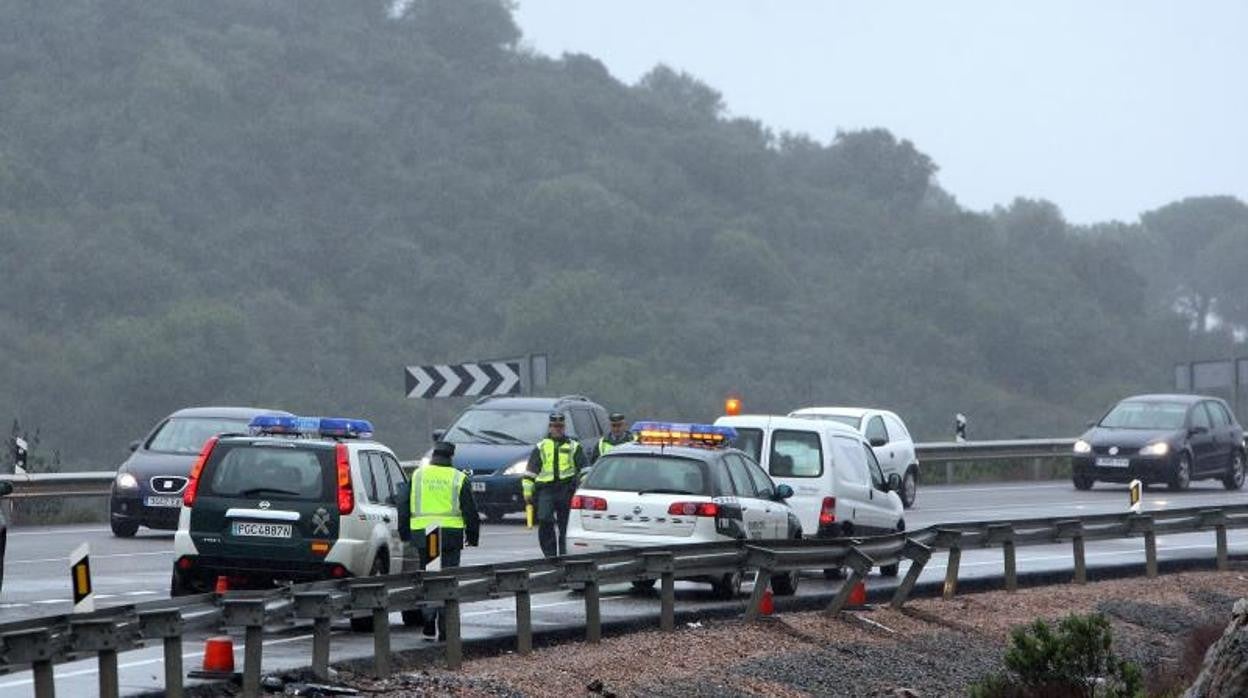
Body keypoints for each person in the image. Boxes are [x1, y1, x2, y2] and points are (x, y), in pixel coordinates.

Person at [399, 441, 479, 637]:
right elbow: (471, 511)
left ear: (434, 456)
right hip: (450, 536)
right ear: (450, 457)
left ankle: (428, 621)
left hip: (429, 535)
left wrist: (404, 533)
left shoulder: (418, 475)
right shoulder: (458, 478)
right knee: (448, 581)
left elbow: (403, 504)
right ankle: (446, 629)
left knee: (431, 578)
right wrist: (472, 536)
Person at [522, 413, 587, 558]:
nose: (558, 429)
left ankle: (564, 555)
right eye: (555, 426)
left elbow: (584, 469)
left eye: (560, 426)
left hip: (566, 489)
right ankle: (550, 555)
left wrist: (582, 487)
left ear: (564, 427)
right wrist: (527, 491)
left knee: (565, 525)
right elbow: (530, 471)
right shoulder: (541, 447)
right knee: (544, 519)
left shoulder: (574, 446)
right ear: (550, 427)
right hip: (546, 490)